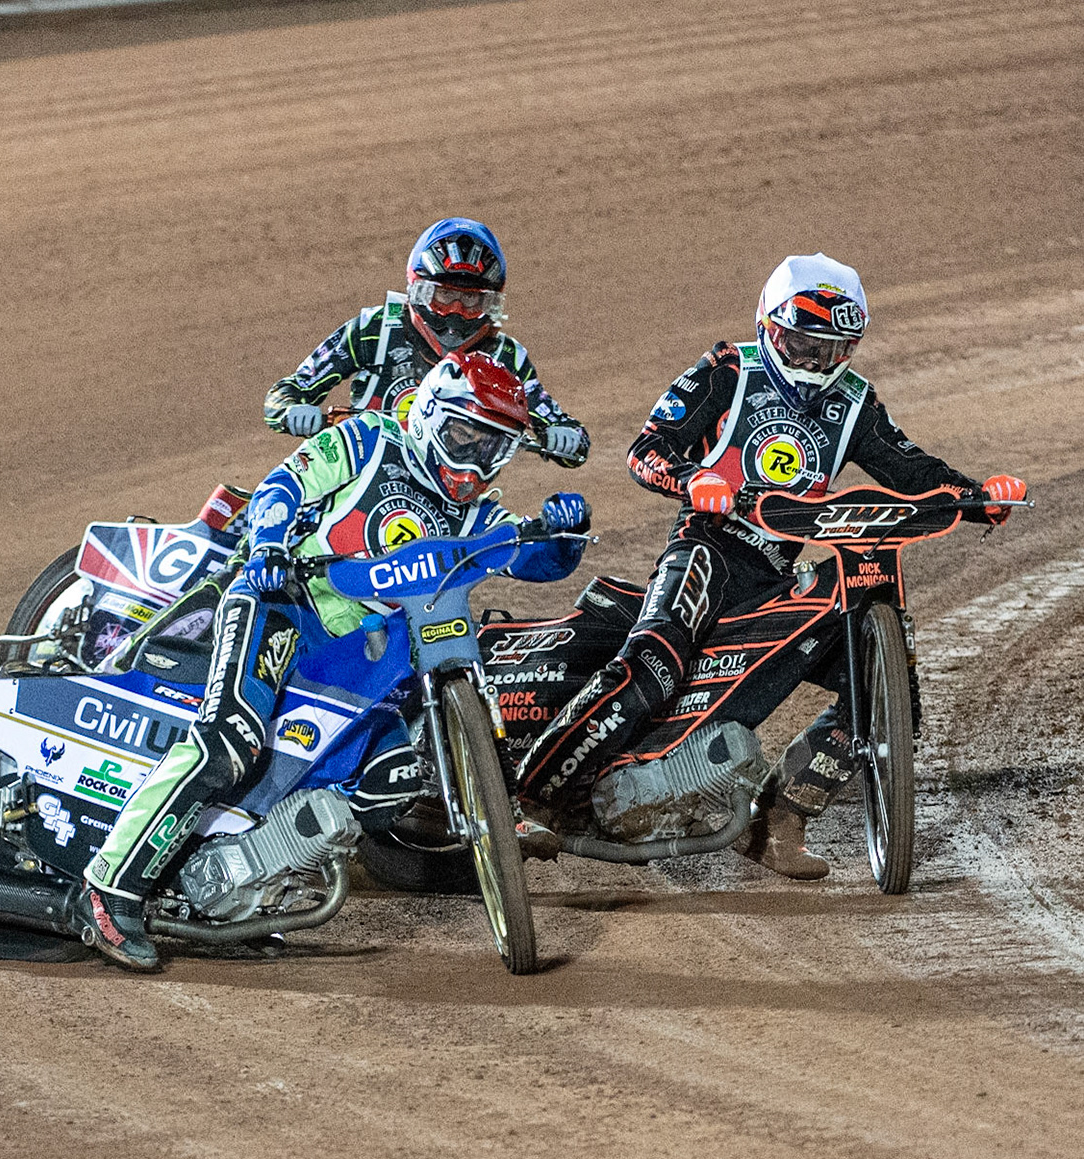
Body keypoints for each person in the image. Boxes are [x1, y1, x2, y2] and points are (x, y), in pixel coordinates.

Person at [75, 351, 592, 969]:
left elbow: (537, 561)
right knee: (230, 740)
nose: (475, 461)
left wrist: (564, 533)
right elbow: (283, 486)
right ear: (430, 414)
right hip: (286, 609)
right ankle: (108, 888)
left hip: (367, 662)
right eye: (464, 437)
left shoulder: (477, 511)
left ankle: (238, 889)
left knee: (387, 788)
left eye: (494, 449)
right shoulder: (370, 438)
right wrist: (267, 543)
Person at [516, 254, 1027, 878]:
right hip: (706, 549)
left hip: (777, 573)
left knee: (889, 698)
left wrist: (981, 498)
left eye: (831, 349)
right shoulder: (727, 370)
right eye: (802, 343)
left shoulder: (854, 401)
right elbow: (645, 451)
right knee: (651, 661)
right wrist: (692, 479)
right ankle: (531, 795)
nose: (813, 361)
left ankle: (777, 822)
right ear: (768, 324)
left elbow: (912, 470)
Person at [263, 218, 590, 471]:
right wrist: (293, 412)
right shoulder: (374, 329)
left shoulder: (505, 356)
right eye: (445, 296)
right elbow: (284, 394)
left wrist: (563, 437)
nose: (457, 313)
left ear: (492, 303)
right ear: (419, 289)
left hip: (451, 495)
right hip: (357, 474)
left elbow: (570, 436)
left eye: (472, 301)